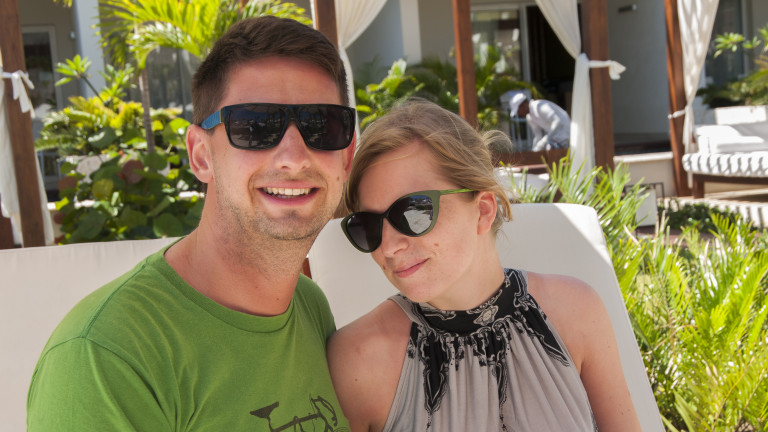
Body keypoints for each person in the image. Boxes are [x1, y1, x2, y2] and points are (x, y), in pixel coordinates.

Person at [27, 16, 356, 431]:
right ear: (201, 156)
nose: (294, 156)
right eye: (255, 126)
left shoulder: (308, 307)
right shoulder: (105, 357)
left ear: (346, 157)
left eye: (321, 126)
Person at [328, 99, 641, 431]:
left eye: (413, 212)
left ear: (483, 211)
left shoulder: (576, 313)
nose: (388, 247)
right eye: (368, 225)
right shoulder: (357, 360)